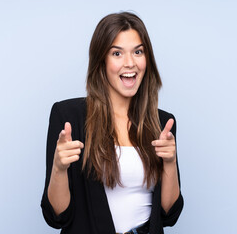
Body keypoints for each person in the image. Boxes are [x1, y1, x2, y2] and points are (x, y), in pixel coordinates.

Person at [41, 12, 184, 234]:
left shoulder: (162, 123)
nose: (130, 63)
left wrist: (170, 162)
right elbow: (57, 216)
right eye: (117, 53)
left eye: (138, 52)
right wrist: (59, 169)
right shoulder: (69, 116)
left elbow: (169, 214)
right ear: (102, 60)